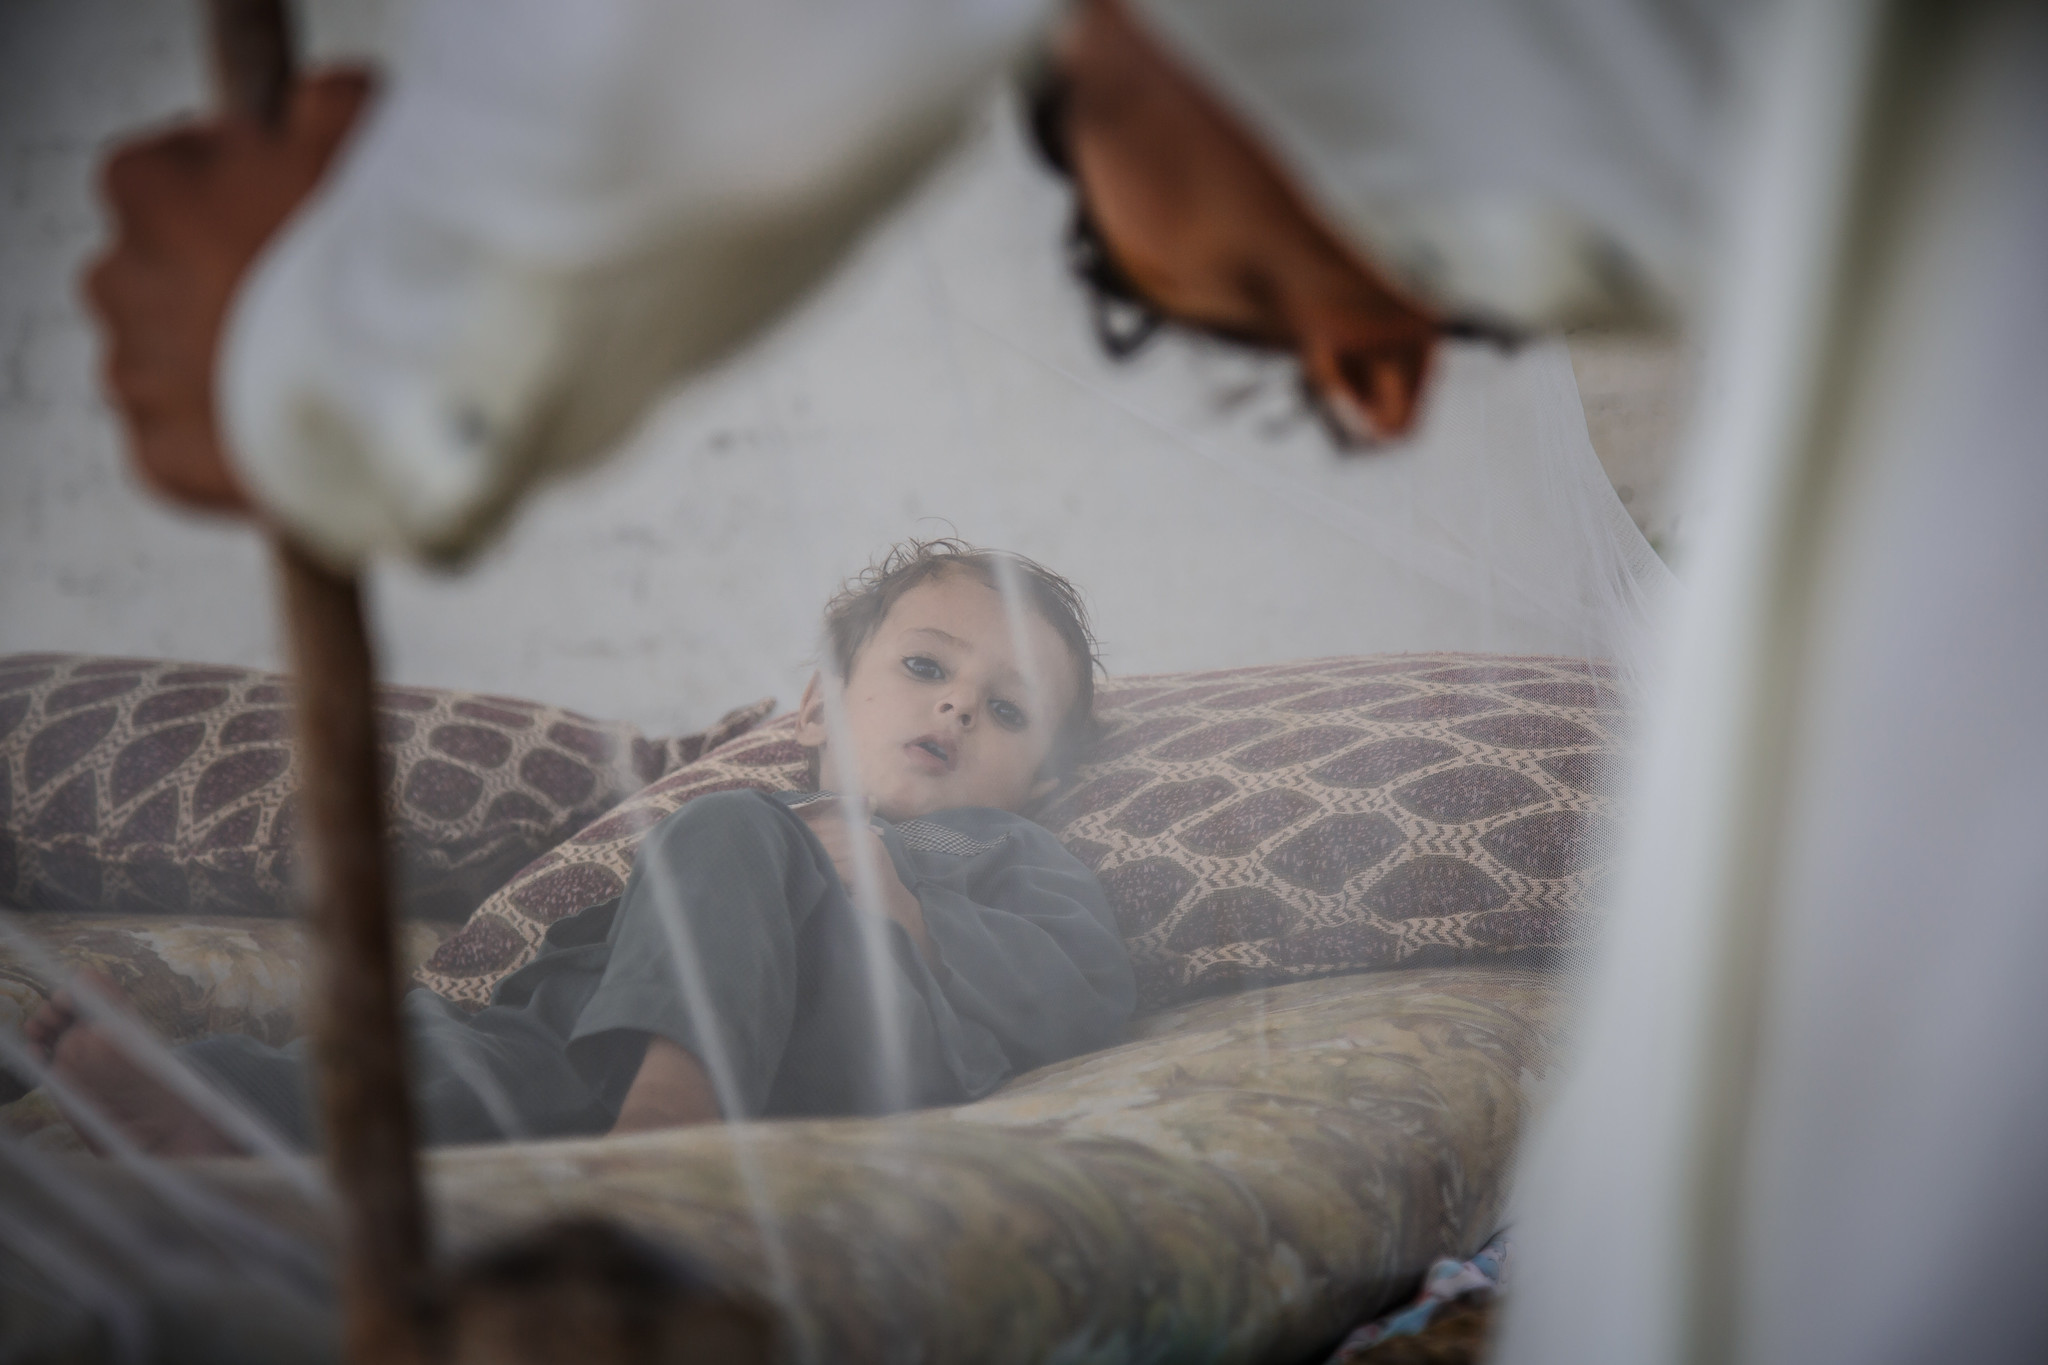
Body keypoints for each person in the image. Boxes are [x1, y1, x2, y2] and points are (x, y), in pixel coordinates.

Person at [26, 538, 1137, 1150]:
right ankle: (213, 1099)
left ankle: (668, 1127)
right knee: (460, 1055)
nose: (951, 714)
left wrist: (916, 924)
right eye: (927, 670)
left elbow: (1085, 990)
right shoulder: (758, 817)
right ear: (816, 709)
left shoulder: (1015, 856)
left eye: (1005, 712)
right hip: (600, 1041)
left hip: (852, 1033)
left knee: (728, 828)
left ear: (1040, 780)